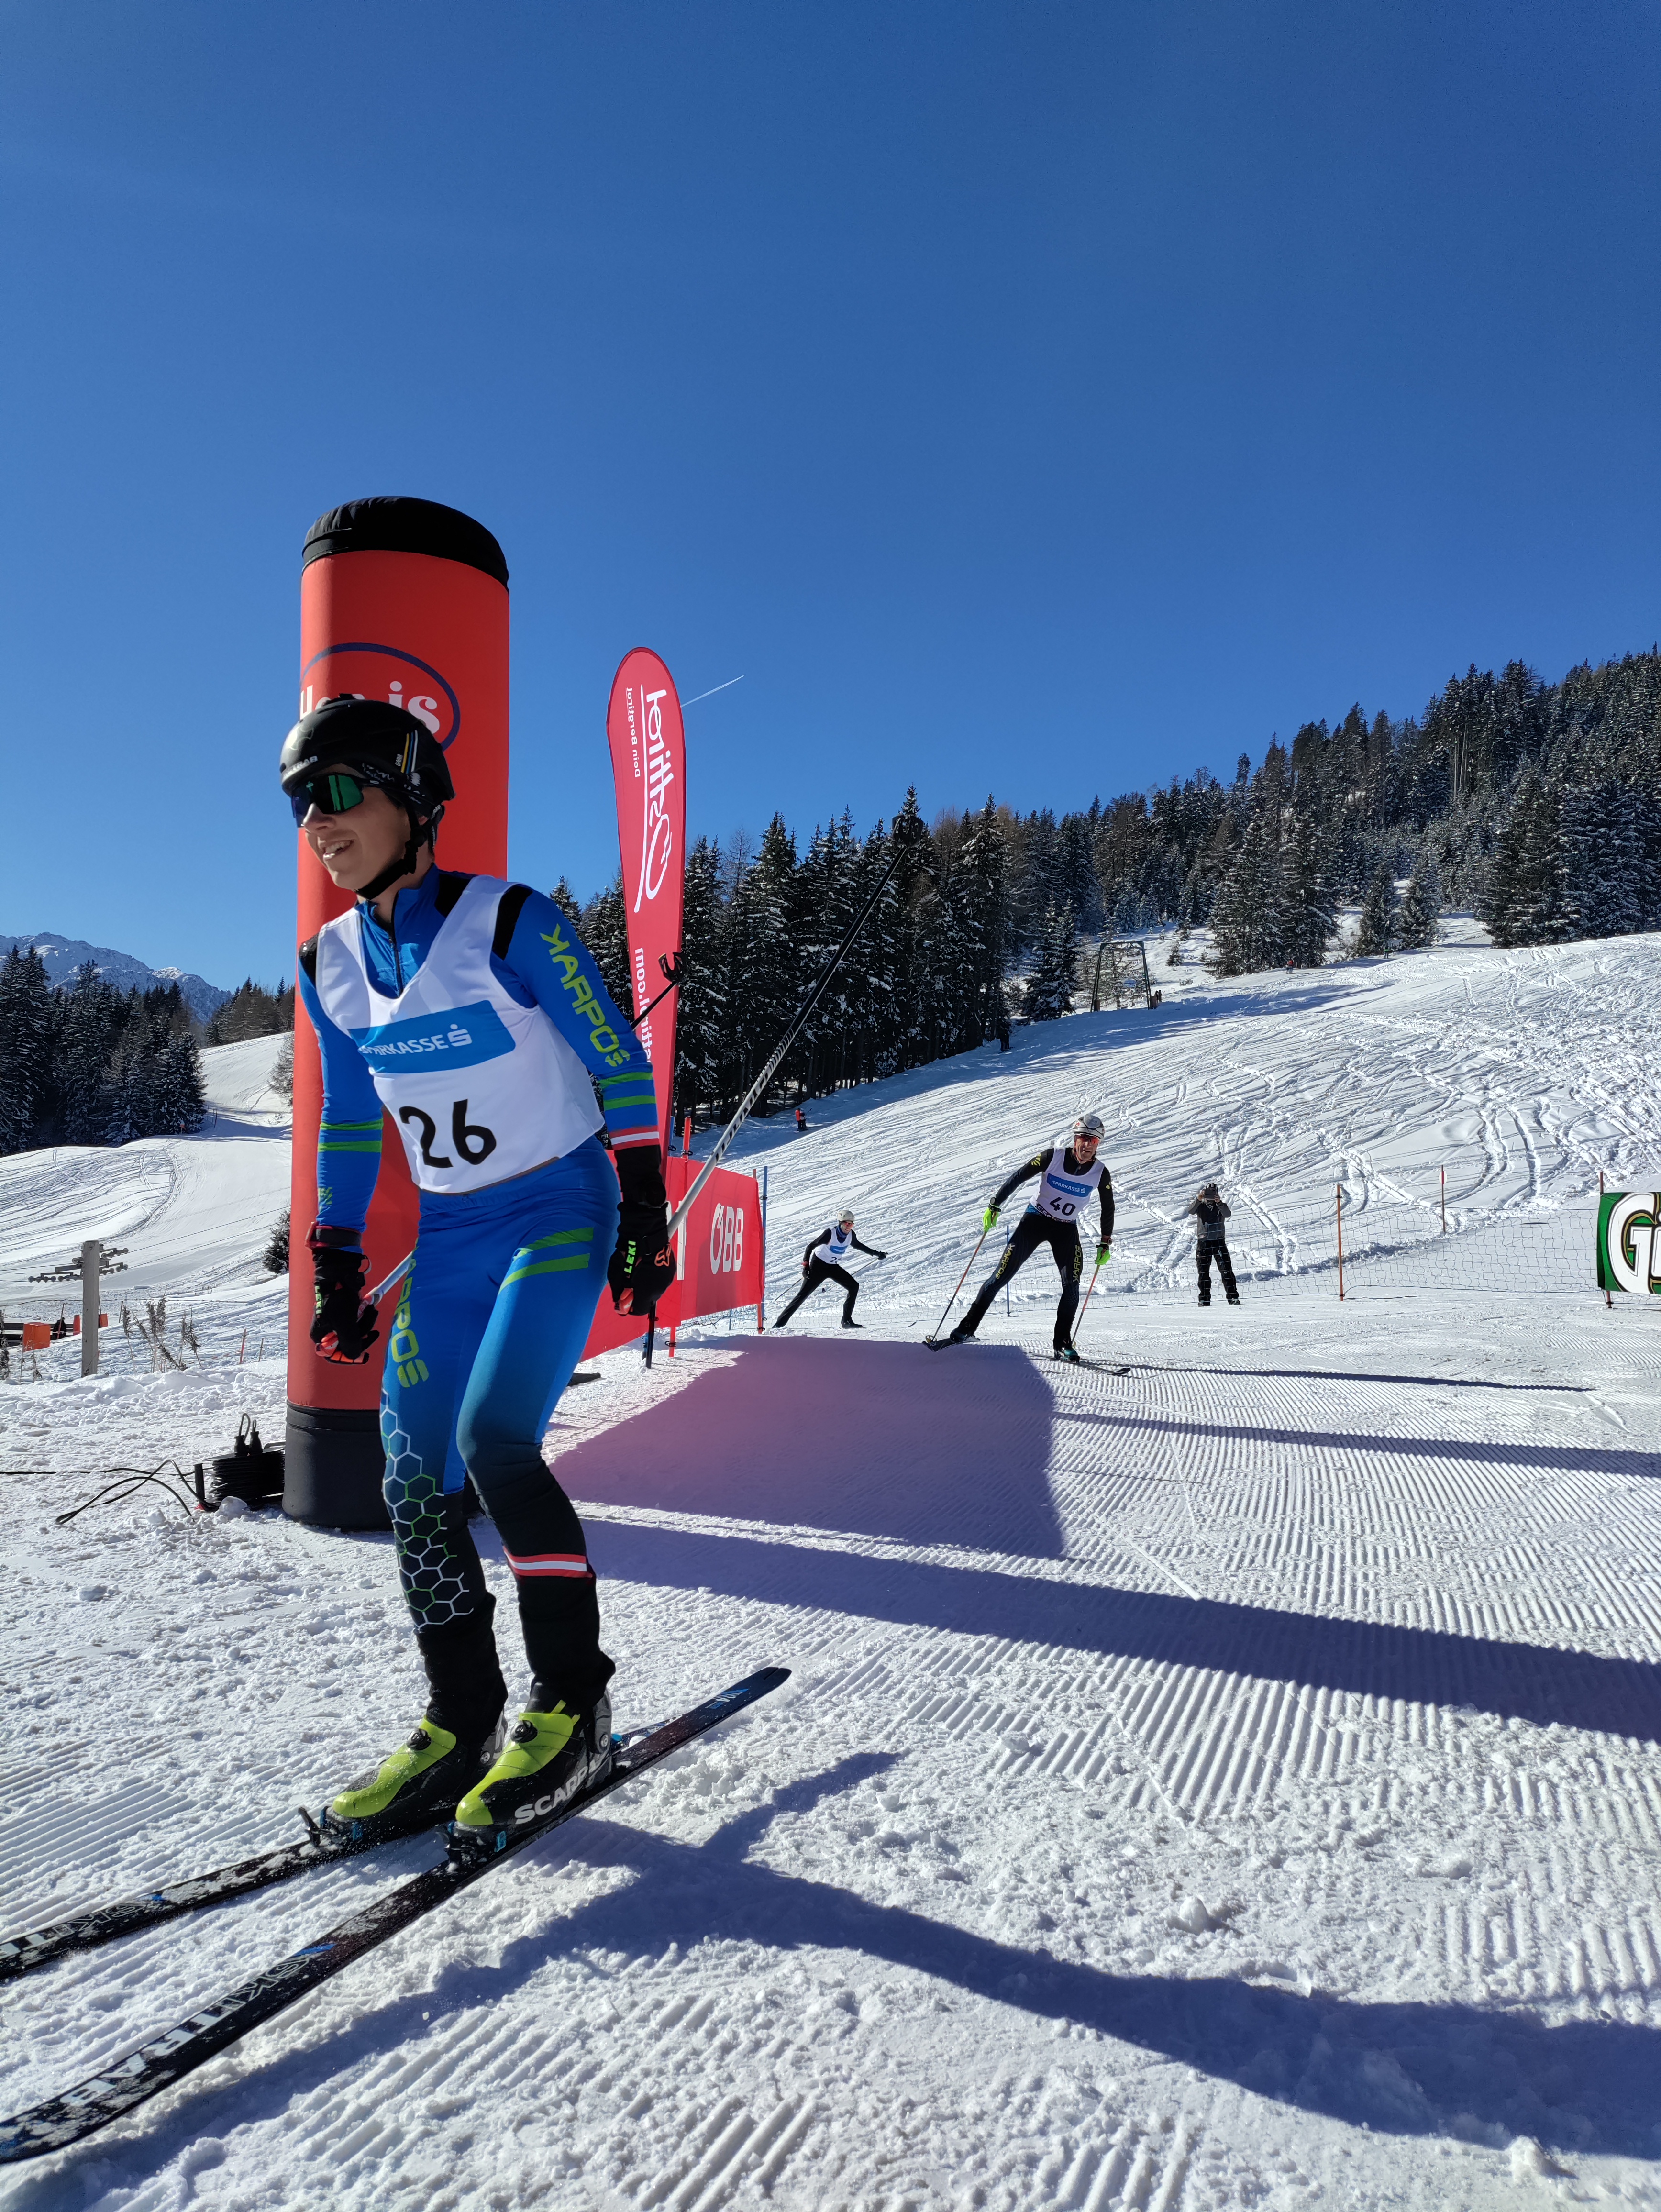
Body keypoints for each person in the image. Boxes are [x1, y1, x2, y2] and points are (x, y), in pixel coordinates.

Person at [281, 694, 675, 1861]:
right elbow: (351, 1120)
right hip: (452, 1236)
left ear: (412, 794)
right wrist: (335, 1253)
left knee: (496, 1440)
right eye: (300, 803)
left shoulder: (509, 922)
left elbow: (618, 1059)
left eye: (338, 791)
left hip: (557, 1207)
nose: (318, 822)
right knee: (412, 1471)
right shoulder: (327, 964)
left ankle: (574, 1701)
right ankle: (461, 1721)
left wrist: (642, 1204)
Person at [935, 1115, 1113, 1360]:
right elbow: (1019, 1176)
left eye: (1093, 1141)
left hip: (1066, 1230)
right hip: (1035, 1221)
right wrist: (995, 1204)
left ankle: (1062, 1342)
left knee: (1072, 1287)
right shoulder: (1052, 1157)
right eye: (1084, 1138)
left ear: (1098, 1144)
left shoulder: (1101, 1173)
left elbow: (1108, 1207)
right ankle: (966, 1329)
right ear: (1075, 1139)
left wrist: (1105, 1241)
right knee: (1000, 1277)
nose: (1088, 1145)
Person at [771, 1210, 886, 1329]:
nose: (848, 1227)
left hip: (832, 1266)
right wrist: (806, 1266)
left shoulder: (851, 1235)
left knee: (854, 1287)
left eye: (851, 1225)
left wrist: (876, 1253)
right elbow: (810, 1247)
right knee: (802, 1295)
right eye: (846, 1224)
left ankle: (847, 1321)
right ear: (840, 1223)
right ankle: (778, 1325)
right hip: (818, 1266)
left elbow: (858, 1245)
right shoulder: (830, 1233)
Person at [1185, 1181, 1238, 1305]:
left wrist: (1219, 1203)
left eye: (1213, 1192)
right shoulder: (1200, 1206)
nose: (1210, 1195)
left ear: (1217, 1193)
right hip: (1203, 1242)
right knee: (1203, 1272)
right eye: (1208, 1192)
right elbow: (1191, 1211)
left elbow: (1228, 1214)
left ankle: (1233, 1298)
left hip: (1219, 1241)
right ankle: (1204, 1299)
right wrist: (1198, 1199)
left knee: (1226, 1270)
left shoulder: (1221, 1206)